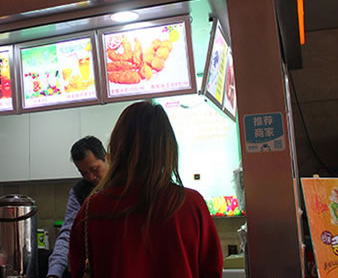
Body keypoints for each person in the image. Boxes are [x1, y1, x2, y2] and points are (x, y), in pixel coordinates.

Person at [69, 101, 223, 278]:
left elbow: (77, 268)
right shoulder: (191, 205)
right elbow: (212, 270)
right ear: (167, 148)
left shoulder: (92, 208)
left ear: (116, 148)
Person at [47, 136, 110, 278]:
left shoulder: (126, 183)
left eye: (94, 169)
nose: (91, 177)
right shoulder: (79, 193)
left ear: (107, 158)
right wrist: (54, 273)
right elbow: (67, 234)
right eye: (83, 173)